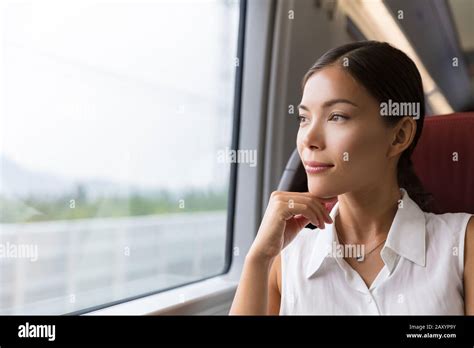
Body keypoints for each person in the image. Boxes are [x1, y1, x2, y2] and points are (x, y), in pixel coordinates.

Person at [229, 41, 474, 315]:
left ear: (399, 135)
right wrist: (258, 258)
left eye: (337, 116)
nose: (308, 139)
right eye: (303, 118)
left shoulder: (463, 244)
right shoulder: (284, 260)